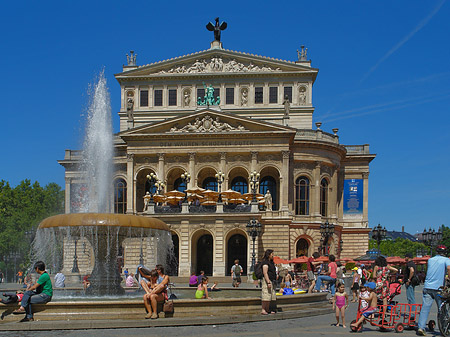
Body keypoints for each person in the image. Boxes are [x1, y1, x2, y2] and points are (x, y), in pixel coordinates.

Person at [417, 245, 450, 336]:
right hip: (438, 287)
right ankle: (445, 328)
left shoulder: (430, 260)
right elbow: (449, 268)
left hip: (427, 287)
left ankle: (421, 327)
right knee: (442, 309)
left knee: (425, 308)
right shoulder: (446, 260)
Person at [261, 249, 277, 315]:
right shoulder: (265, 262)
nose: (273, 255)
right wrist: (268, 282)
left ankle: (267, 309)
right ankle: (263, 309)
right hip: (267, 280)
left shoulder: (271, 262)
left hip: (272, 280)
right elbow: (265, 273)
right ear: (268, 255)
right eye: (272, 254)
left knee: (270, 296)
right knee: (266, 295)